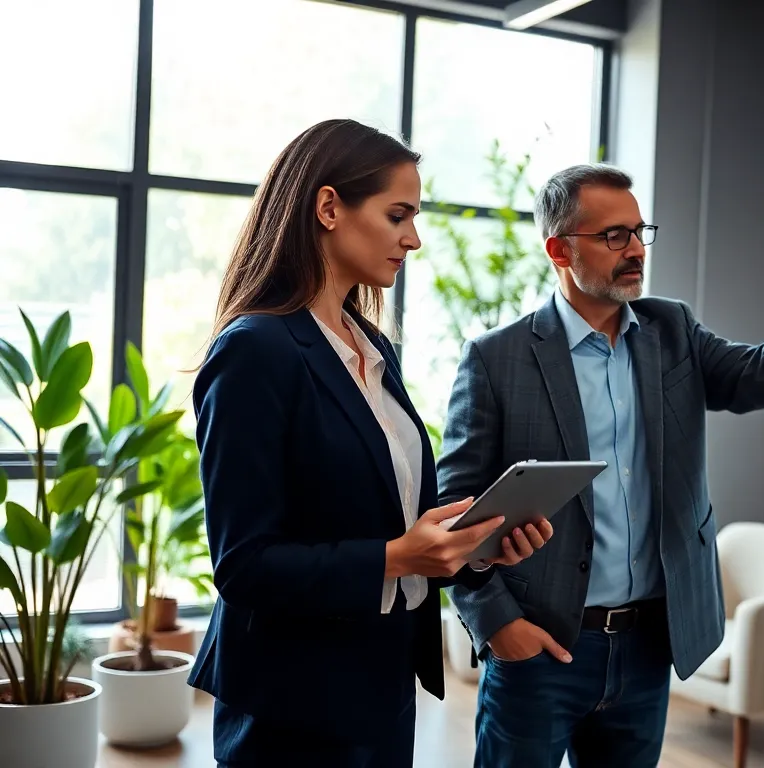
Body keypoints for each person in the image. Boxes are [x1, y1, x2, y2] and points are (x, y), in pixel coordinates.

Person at [435, 162, 764, 766]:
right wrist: (496, 624)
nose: (636, 249)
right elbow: (452, 509)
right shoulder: (496, 358)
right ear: (559, 249)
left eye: (641, 231)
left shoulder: (672, 329)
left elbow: (753, 372)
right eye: (614, 236)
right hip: (542, 645)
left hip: (646, 647)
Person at [188, 118, 553, 767]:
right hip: (292, 701)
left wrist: (473, 547)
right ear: (328, 207)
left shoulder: (371, 346)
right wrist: (398, 557)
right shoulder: (254, 351)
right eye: (398, 215)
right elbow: (243, 566)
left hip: (380, 680)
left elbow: (388, 515)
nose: (413, 238)